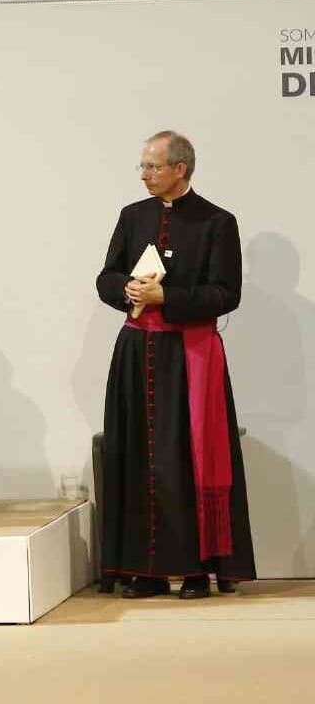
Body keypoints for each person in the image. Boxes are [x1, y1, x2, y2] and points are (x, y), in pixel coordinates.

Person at [96, 131, 256, 599]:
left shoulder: (217, 222)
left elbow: (227, 294)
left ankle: (193, 571)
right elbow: (106, 276)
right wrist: (126, 290)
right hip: (135, 352)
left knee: (184, 461)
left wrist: (167, 296)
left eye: (152, 167)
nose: (145, 175)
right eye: (143, 167)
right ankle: (144, 571)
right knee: (136, 457)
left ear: (179, 169)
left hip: (189, 358)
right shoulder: (132, 216)